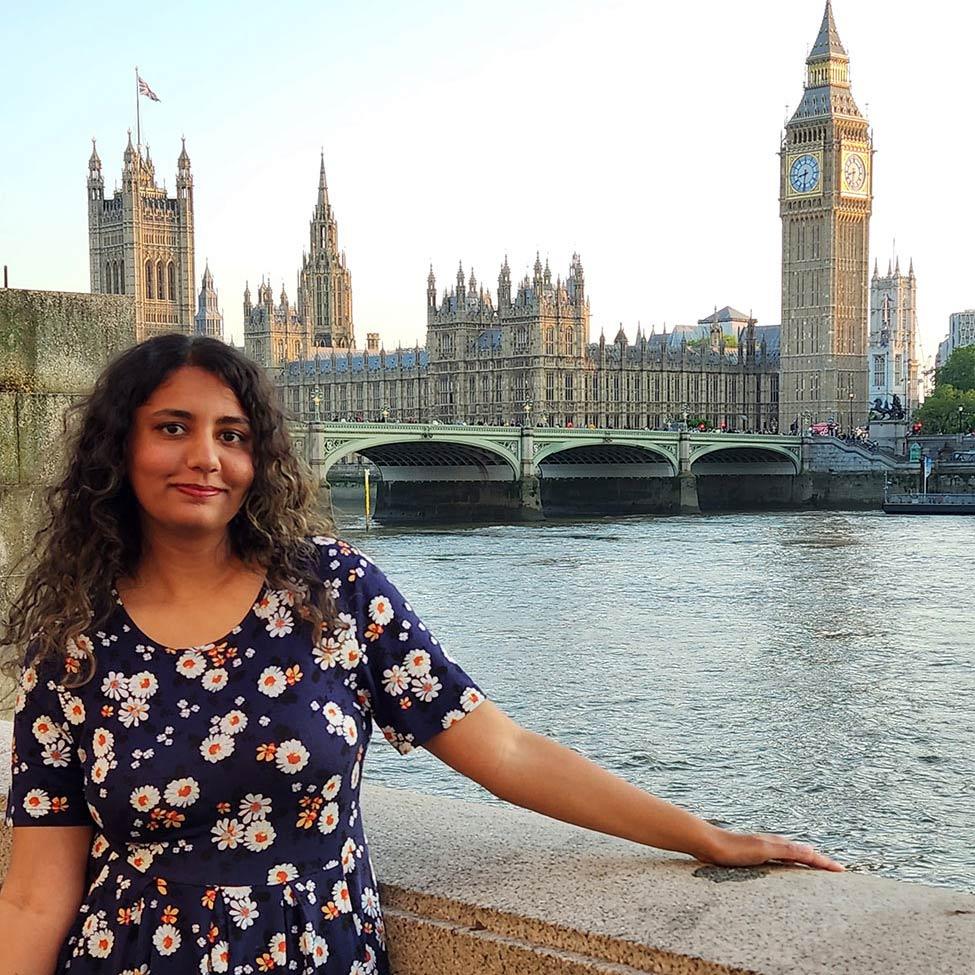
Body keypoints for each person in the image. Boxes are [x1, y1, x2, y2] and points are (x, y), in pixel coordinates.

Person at [0, 335, 842, 975]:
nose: (205, 458)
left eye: (233, 433)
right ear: (120, 449)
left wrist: (704, 835)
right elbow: (38, 889)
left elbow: (503, 749)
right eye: (172, 428)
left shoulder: (333, 593)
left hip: (315, 953)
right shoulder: (73, 641)